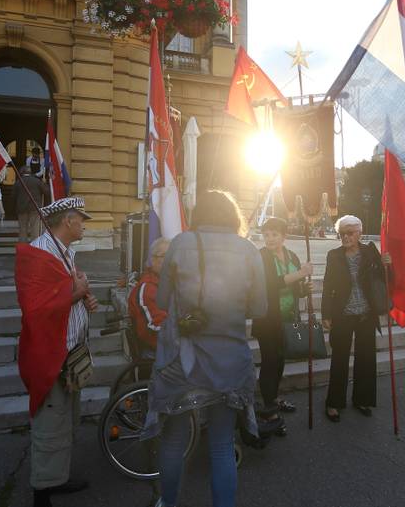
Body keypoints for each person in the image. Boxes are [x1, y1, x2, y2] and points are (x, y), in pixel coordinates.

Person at [141, 190, 267, 507]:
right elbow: (260, 308)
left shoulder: (181, 243)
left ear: (199, 215)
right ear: (232, 215)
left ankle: (167, 503)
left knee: (174, 440)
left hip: (184, 360)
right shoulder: (249, 249)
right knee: (222, 443)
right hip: (229, 359)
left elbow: (162, 299)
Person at [14, 196, 98, 507]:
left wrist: (83, 299)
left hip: (69, 353)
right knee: (50, 424)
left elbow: (64, 294)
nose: (85, 225)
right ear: (68, 221)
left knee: (66, 420)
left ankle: (56, 478)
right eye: (82, 219)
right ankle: (42, 493)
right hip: (50, 355)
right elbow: (35, 309)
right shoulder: (38, 253)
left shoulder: (64, 252)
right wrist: (75, 293)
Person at [322, 215, 391, 422]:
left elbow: (385, 279)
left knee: (366, 359)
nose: (345, 236)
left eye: (350, 232)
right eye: (342, 233)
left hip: (366, 315)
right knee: (339, 359)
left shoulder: (370, 251)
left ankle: (362, 399)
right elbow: (327, 287)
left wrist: (388, 265)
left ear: (359, 233)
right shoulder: (333, 255)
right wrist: (325, 314)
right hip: (343, 314)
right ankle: (334, 403)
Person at [252, 217, 313, 431]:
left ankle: (274, 399)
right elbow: (270, 284)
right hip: (267, 319)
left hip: (287, 319)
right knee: (270, 361)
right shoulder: (260, 257)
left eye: (274, 234)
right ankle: (269, 411)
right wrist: (300, 273)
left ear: (284, 236)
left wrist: (305, 288)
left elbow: (297, 287)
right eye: (266, 234)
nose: (269, 238)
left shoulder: (292, 256)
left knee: (280, 361)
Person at [128, 237, 171, 362]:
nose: (171, 260)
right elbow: (156, 328)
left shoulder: (168, 284)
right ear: (153, 260)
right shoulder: (147, 289)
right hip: (157, 353)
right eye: (165, 256)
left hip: (170, 347)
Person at [16, 165, 47, 243]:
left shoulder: (18, 182)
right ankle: (35, 248)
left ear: (22, 173)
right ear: (30, 172)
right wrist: (44, 184)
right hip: (35, 208)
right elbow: (47, 192)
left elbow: (13, 196)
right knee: (35, 229)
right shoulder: (37, 181)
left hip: (22, 209)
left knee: (23, 229)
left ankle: (23, 249)